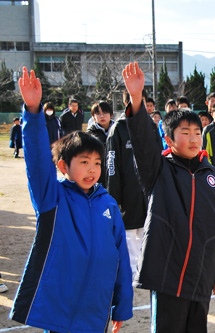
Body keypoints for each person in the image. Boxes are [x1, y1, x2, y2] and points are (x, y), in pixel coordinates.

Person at [10, 67, 133, 333]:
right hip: (59, 311)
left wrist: (121, 305)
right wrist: (33, 112)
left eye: (97, 163)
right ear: (64, 166)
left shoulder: (108, 204)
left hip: (96, 310)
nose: (92, 169)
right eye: (85, 162)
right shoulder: (52, 198)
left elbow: (120, 256)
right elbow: (38, 163)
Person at [122, 62, 215, 332]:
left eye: (197, 133)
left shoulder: (213, 176)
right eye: (185, 133)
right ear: (169, 139)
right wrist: (136, 99)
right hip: (167, 276)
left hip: (202, 274)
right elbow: (144, 142)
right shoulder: (159, 170)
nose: (194, 139)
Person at [106, 90, 162, 278]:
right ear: (126, 103)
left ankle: (146, 268)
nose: (140, 105)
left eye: (143, 101)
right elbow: (112, 165)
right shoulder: (119, 129)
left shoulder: (151, 127)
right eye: (134, 101)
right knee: (129, 232)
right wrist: (115, 196)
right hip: (127, 190)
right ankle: (130, 272)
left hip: (148, 190)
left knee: (149, 229)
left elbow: (159, 158)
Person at [87, 101, 114, 187]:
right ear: (93, 117)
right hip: (99, 174)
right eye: (98, 114)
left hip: (117, 173)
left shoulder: (119, 130)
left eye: (105, 113)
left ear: (111, 114)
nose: (102, 116)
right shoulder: (90, 134)